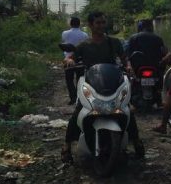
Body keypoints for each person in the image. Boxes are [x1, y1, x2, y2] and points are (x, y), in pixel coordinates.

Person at [61, 12, 144, 163]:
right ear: (91, 25)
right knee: (79, 110)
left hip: (112, 82)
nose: (101, 26)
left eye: (103, 22)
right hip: (91, 83)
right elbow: (70, 57)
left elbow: (124, 59)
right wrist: (69, 61)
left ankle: (137, 141)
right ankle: (66, 146)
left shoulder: (114, 42)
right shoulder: (84, 45)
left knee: (126, 109)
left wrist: (128, 66)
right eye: (98, 23)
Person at [61, 17, 88, 105]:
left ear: (70, 24)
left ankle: (73, 98)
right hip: (80, 60)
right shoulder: (84, 35)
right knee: (80, 80)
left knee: (69, 80)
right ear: (79, 24)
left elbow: (64, 42)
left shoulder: (65, 33)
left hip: (68, 60)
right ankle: (79, 98)